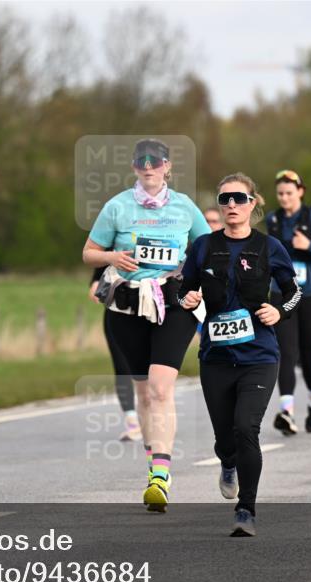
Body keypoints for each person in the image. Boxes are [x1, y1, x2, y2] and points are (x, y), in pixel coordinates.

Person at [82, 138, 210, 512]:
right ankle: (154, 460)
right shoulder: (117, 206)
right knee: (142, 390)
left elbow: (206, 250)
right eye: (142, 161)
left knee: (159, 388)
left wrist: (197, 283)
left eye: (156, 161)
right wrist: (111, 256)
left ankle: (160, 473)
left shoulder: (185, 207)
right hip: (127, 306)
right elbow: (89, 251)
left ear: (168, 166)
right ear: (134, 167)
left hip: (173, 303)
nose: (149, 167)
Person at [179, 173, 298, 536]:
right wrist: (187, 300)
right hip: (216, 358)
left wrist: (279, 312)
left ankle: (246, 509)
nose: (231, 205)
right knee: (225, 439)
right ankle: (227, 462)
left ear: (252, 204)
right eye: (225, 199)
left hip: (259, 356)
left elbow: (294, 292)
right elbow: (183, 292)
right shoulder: (202, 246)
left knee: (246, 428)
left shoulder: (270, 247)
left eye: (239, 199)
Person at [265, 170, 311, 436]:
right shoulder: (272, 219)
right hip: (282, 294)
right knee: (286, 352)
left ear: (300, 192)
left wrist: (309, 245)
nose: (284, 198)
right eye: (280, 193)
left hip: (310, 294)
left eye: (289, 193)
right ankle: (287, 411)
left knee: (308, 353)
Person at [89, 265, 141, 441]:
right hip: (119, 305)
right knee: (121, 364)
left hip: (154, 303)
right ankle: (132, 420)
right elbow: (105, 251)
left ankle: (156, 412)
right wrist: (96, 280)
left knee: (151, 368)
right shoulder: (116, 237)